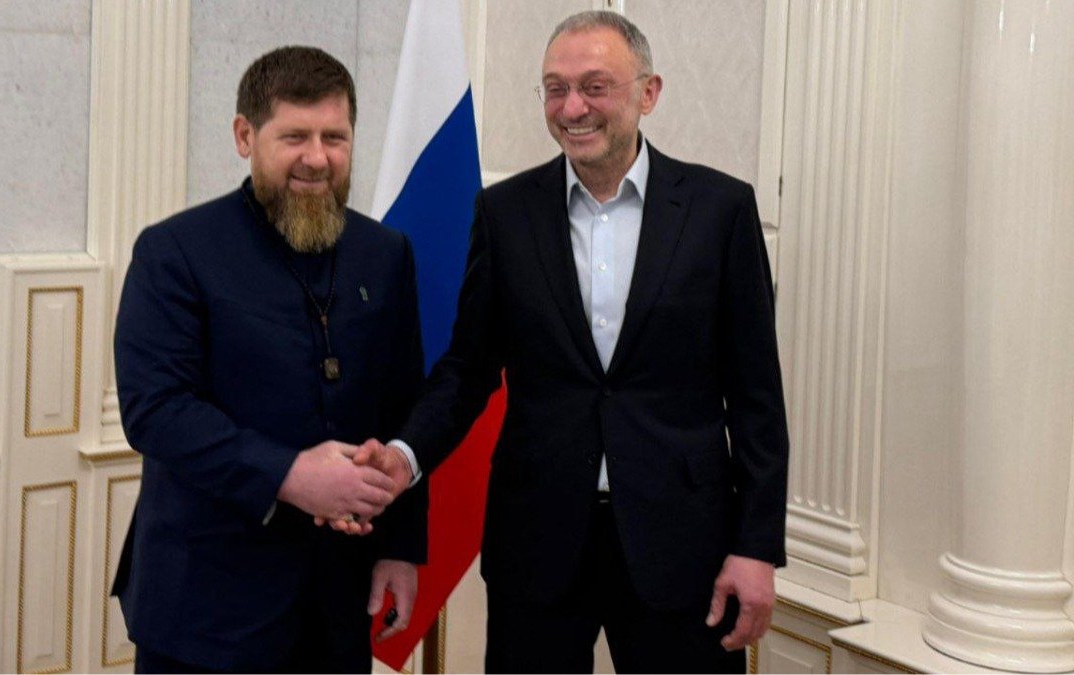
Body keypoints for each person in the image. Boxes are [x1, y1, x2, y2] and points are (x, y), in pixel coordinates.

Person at [341, 10, 789, 673]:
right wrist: (407, 455)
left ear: (648, 92)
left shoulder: (720, 210)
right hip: (538, 543)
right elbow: (468, 368)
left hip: (682, 546)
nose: (572, 107)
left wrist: (756, 546)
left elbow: (756, 396)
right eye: (556, 88)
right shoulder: (504, 213)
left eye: (594, 86)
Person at [110, 46, 427, 673]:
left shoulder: (385, 252)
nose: (318, 157)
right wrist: (290, 475)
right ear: (244, 136)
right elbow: (156, 411)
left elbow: (403, 407)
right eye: (295, 137)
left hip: (337, 606)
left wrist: (400, 547)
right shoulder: (175, 251)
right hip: (206, 609)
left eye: (335, 137)